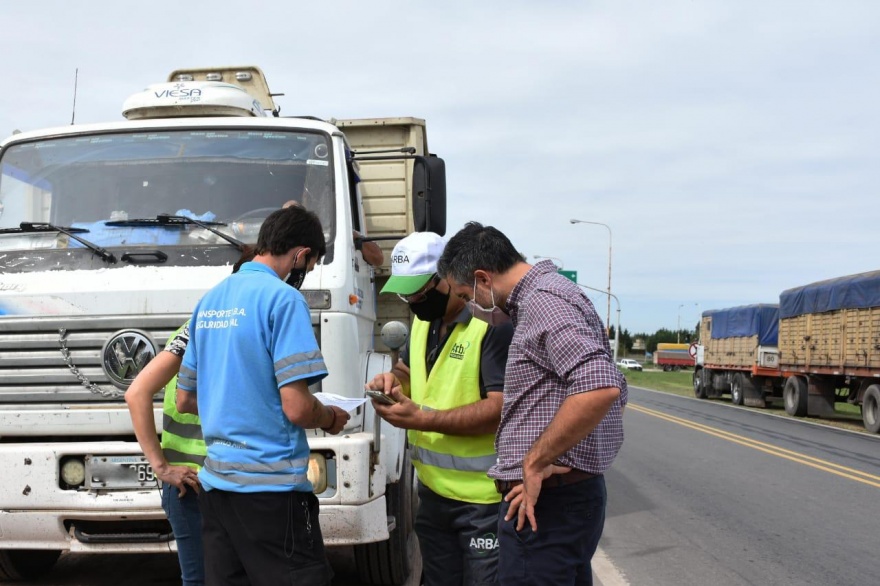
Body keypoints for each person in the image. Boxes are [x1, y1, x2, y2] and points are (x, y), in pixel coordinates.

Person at [437, 222, 627, 586]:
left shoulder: (544, 303)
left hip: (548, 507)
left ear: (483, 278)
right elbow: (613, 385)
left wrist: (536, 462)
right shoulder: (555, 295)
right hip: (565, 498)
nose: (469, 306)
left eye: (464, 295)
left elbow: (600, 387)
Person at [175, 205, 350, 586]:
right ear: (301, 254)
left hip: (217, 488)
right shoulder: (283, 300)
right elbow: (299, 407)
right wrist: (330, 417)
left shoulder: (211, 301)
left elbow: (184, 400)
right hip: (272, 492)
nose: (304, 273)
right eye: (311, 263)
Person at [366, 231, 512, 586]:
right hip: (432, 494)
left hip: (483, 501)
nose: (413, 300)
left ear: (448, 276)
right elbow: (416, 373)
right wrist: (391, 382)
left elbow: (500, 408)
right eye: (405, 293)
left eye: (420, 290)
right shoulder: (422, 321)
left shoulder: (491, 325)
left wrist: (421, 418)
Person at [125, 248, 257, 586]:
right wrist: (162, 467)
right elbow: (137, 392)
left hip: (209, 484)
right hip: (195, 485)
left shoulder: (207, 323)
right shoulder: (210, 326)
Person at [282, 199, 384, 266]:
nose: (292, 219)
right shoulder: (276, 238)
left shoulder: (326, 233)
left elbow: (378, 259)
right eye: (287, 216)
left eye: (296, 214)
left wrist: (352, 236)